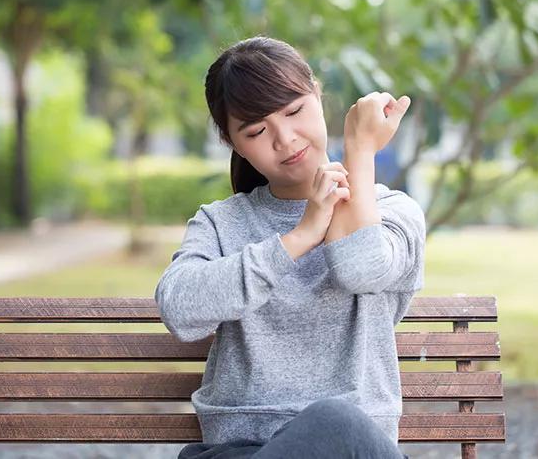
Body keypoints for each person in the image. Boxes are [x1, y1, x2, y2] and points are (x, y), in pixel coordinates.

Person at [154, 36, 425, 459]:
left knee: (336, 422)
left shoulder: (393, 212)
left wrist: (359, 150)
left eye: (294, 111)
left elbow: (361, 269)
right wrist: (298, 238)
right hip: (241, 450)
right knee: (334, 422)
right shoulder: (221, 222)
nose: (284, 139)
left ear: (317, 95)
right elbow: (180, 310)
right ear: (233, 143)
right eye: (257, 131)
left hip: (354, 451)